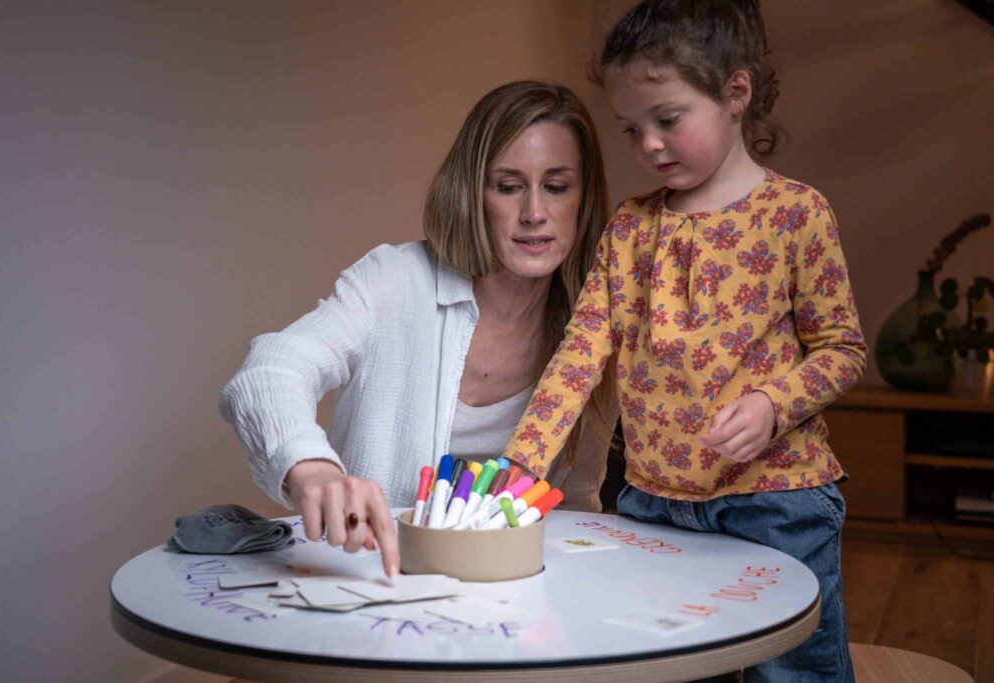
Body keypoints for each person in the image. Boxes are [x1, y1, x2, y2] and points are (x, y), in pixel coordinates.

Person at [502, 2, 866, 681]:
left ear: (736, 93)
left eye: (667, 120)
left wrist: (773, 403)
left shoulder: (797, 215)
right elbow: (579, 354)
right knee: (661, 666)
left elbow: (843, 349)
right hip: (652, 503)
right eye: (632, 130)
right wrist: (522, 464)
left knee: (794, 673)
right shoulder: (630, 230)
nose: (649, 146)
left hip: (775, 500)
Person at [220, 80, 618, 580]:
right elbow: (272, 369)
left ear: (583, 199)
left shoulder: (601, 318)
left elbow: (578, 506)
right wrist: (311, 468)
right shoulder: (393, 279)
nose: (534, 213)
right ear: (473, 193)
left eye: (556, 187)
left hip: (528, 591)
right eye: (508, 186)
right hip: (371, 584)